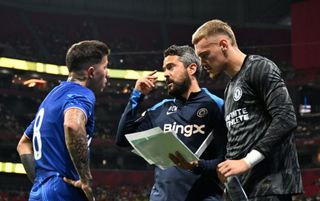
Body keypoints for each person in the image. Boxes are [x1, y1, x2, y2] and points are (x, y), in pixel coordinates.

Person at [192, 19, 303, 201]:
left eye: (205, 55)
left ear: (223, 44)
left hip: (270, 187)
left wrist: (246, 162)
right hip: (241, 189)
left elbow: (286, 118)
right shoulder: (229, 88)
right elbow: (239, 137)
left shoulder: (259, 67)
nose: (202, 63)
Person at [116, 45, 228, 201]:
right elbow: (123, 138)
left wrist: (197, 165)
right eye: (164, 69)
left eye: (171, 67)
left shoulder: (216, 106)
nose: (166, 74)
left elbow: (226, 160)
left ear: (192, 68)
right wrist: (137, 95)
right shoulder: (161, 108)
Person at [16, 40, 110, 201]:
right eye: (105, 66)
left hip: (39, 192)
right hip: (64, 189)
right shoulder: (82, 93)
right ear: (92, 72)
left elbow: (23, 144)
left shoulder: (51, 98)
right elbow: (72, 125)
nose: (107, 73)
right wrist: (85, 180)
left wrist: (40, 181)